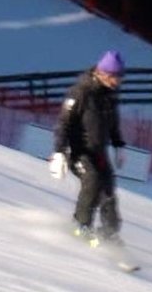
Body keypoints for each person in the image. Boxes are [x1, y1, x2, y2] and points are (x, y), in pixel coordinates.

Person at [51, 49, 127, 244]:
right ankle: (81, 225)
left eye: (120, 77)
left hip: (99, 152)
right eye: (115, 77)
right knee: (92, 181)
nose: (118, 81)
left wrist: (119, 145)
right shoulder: (81, 93)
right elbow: (63, 123)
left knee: (108, 189)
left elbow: (113, 123)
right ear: (103, 73)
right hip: (78, 151)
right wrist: (59, 152)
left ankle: (110, 232)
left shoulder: (109, 96)